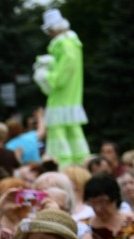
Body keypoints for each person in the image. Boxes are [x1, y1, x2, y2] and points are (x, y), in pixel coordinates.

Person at [33, 9, 89, 167]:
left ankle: (63, 168)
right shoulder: (71, 43)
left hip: (61, 99)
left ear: (52, 29)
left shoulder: (64, 45)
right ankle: (81, 166)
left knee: (59, 133)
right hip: (71, 98)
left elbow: (62, 75)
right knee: (74, 135)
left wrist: (46, 75)